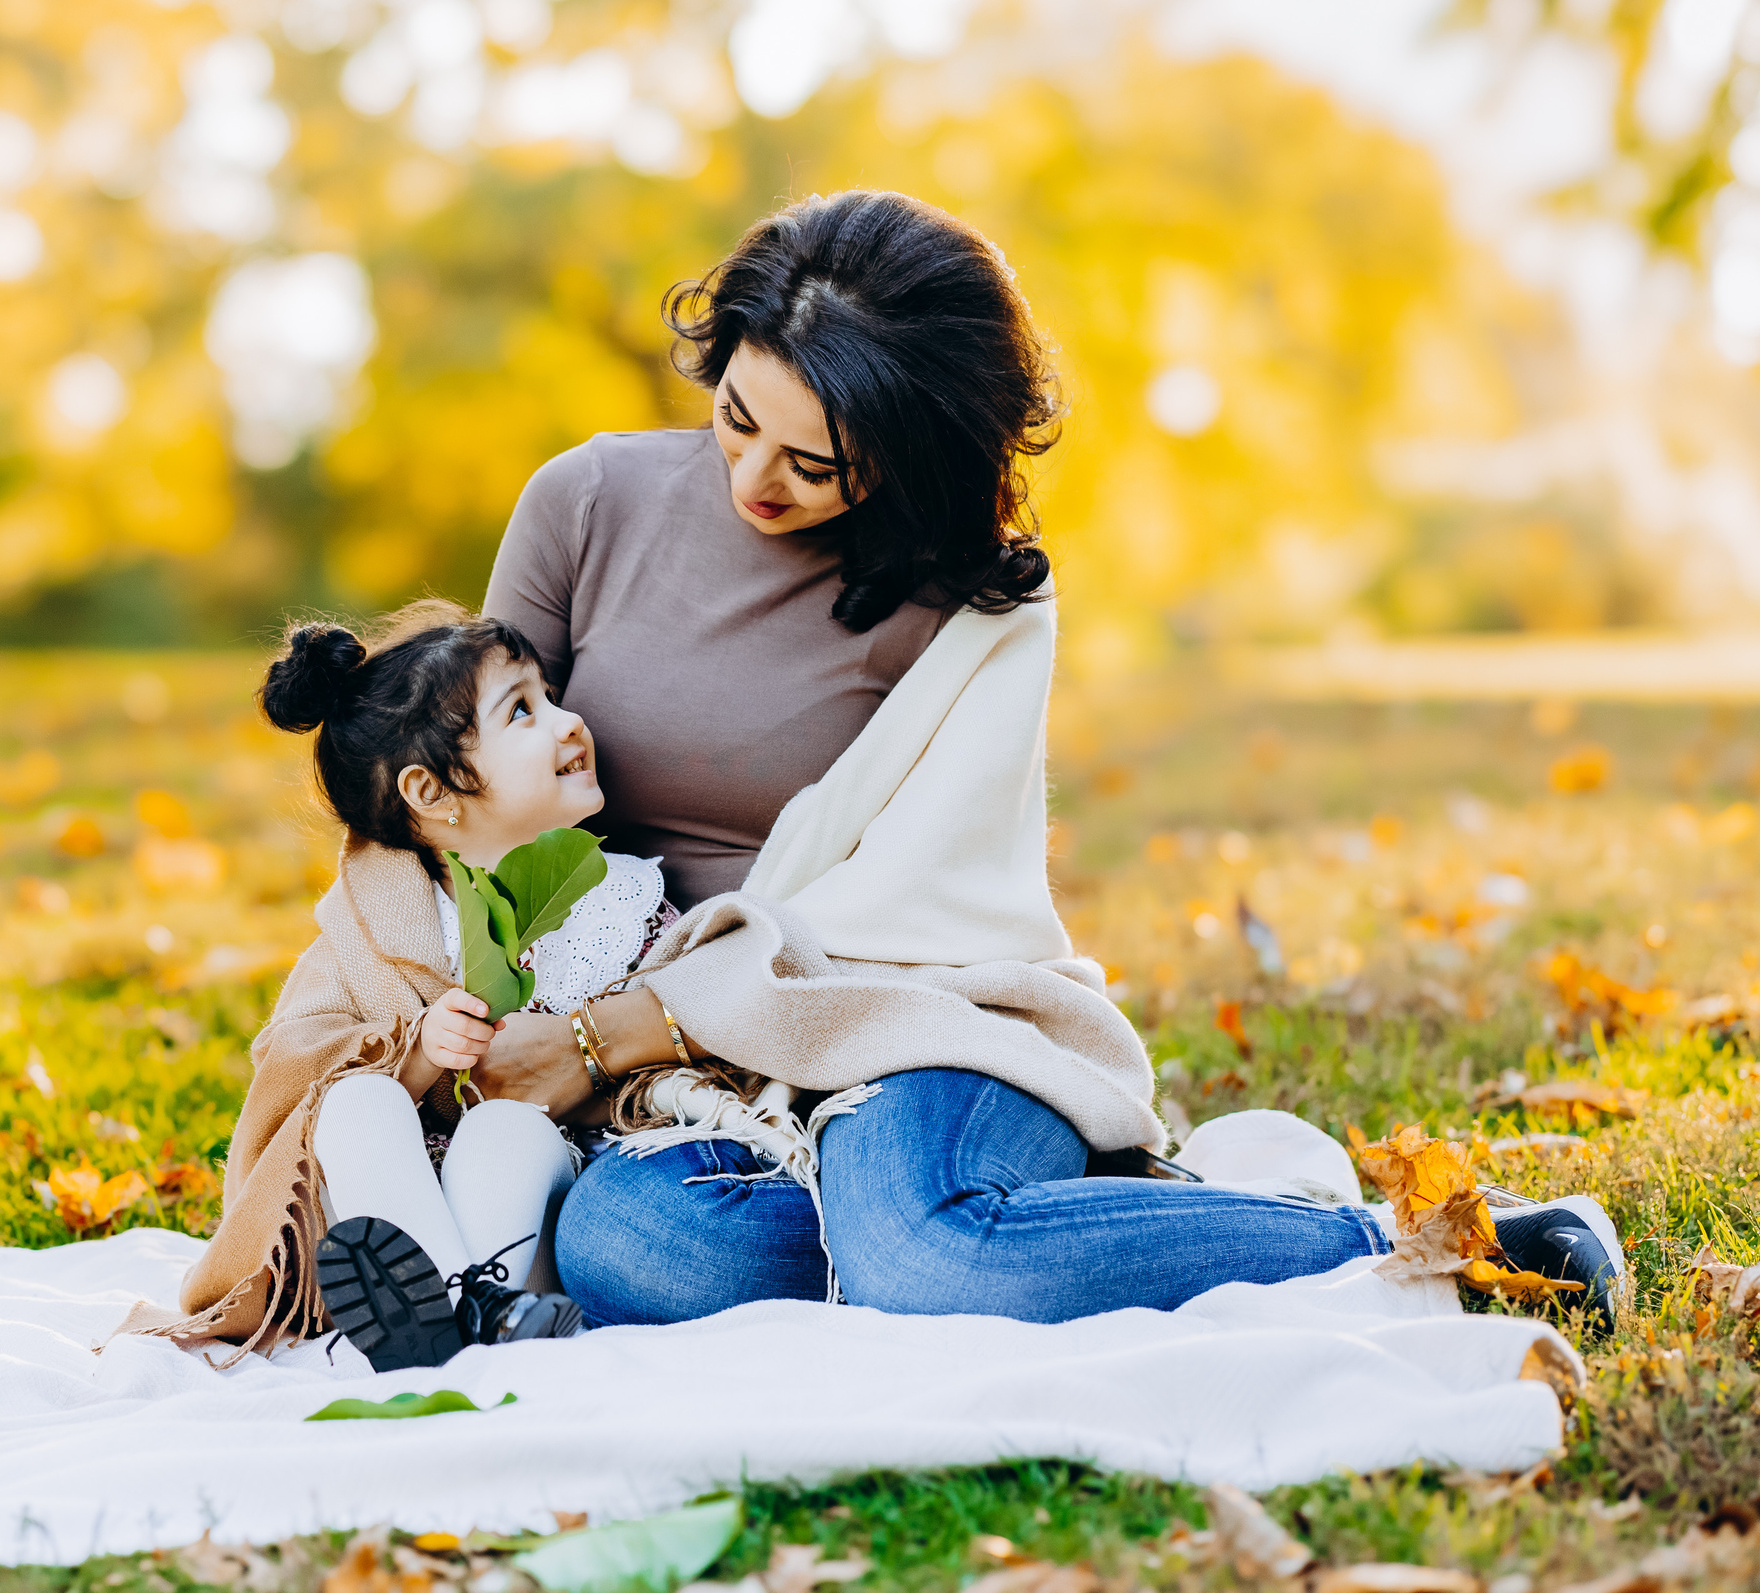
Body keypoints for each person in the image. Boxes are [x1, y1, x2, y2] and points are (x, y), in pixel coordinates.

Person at [459, 188, 1629, 1329]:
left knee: (918, 1257)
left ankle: (1436, 1246)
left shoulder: (976, 602)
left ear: (916, 455)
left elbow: (908, 911)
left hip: (906, 1018)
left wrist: (628, 1027)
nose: (753, 479)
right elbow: (454, 776)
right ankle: (1070, 1231)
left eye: (814, 465)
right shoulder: (587, 502)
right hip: (697, 1087)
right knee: (638, 1245)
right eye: (736, 415)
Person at [119, 601, 676, 1368]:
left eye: (549, 696)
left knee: (506, 1127)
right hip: (391, 1207)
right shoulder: (370, 926)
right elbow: (292, 1057)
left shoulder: (618, 903)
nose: (569, 721)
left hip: (526, 1197)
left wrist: (579, 1060)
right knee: (355, 1099)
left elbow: (670, 1040)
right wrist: (415, 1054)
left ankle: (448, 1318)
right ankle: (465, 1319)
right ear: (432, 792)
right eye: (523, 710)